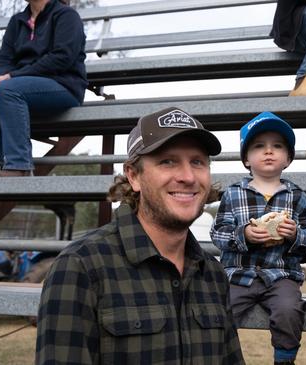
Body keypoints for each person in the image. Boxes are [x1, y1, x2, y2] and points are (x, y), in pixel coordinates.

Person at [36, 107, 245, 364]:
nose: (188, 177)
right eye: (168, 161)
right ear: (133, 176)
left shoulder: (213, 274)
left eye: (197, 162)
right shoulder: (81, 267)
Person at [210, 112, 306, 365]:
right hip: (238, 274)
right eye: (259, 146)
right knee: (220, 311)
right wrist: (244, 235)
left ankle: (284, 359)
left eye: (277, 146)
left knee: (289, 310)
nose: (268, 151)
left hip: (281, 276)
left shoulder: (298, 197)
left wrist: (294, 235)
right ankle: (221, 356)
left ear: (288, 158)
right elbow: (218, 233)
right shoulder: (233, 194)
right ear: (246, 159)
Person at [0, 0, 87, 178]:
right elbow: (4, 59)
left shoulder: (67, 16)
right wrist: (3, 75)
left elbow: (62, 58)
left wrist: (15, 76)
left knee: (8, 89)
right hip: (19, 85)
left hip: (62, 85)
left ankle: (19, 166)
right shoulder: (18, 21)